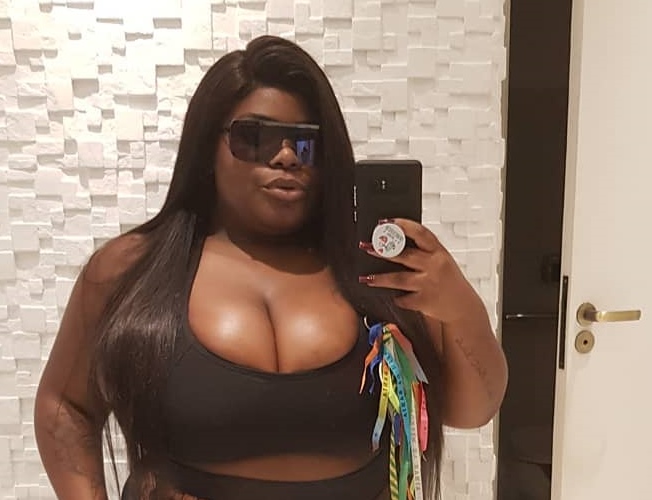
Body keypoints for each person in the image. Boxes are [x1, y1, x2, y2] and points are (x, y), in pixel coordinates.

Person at [34, 35, 508, 500]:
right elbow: (66, 405)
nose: (285, 156)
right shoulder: (131, 269)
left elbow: (472, 410)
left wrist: (460, 307)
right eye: (253, 138)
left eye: (307, 143)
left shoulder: (383, 272)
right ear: (208, 146)